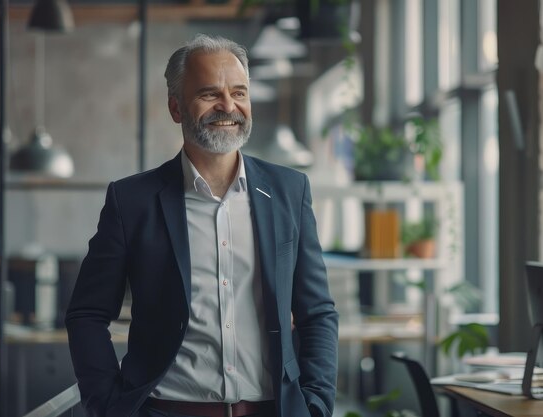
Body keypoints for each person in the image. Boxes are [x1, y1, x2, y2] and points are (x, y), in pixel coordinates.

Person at [65, 34, 339, 417]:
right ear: (176, 107)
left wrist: (316, 403)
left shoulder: (290, 191)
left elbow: (317, 312)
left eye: (239, 92)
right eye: (210, 94)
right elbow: (87, 315)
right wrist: (108, 406)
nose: (228, 105)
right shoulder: (131, 202)